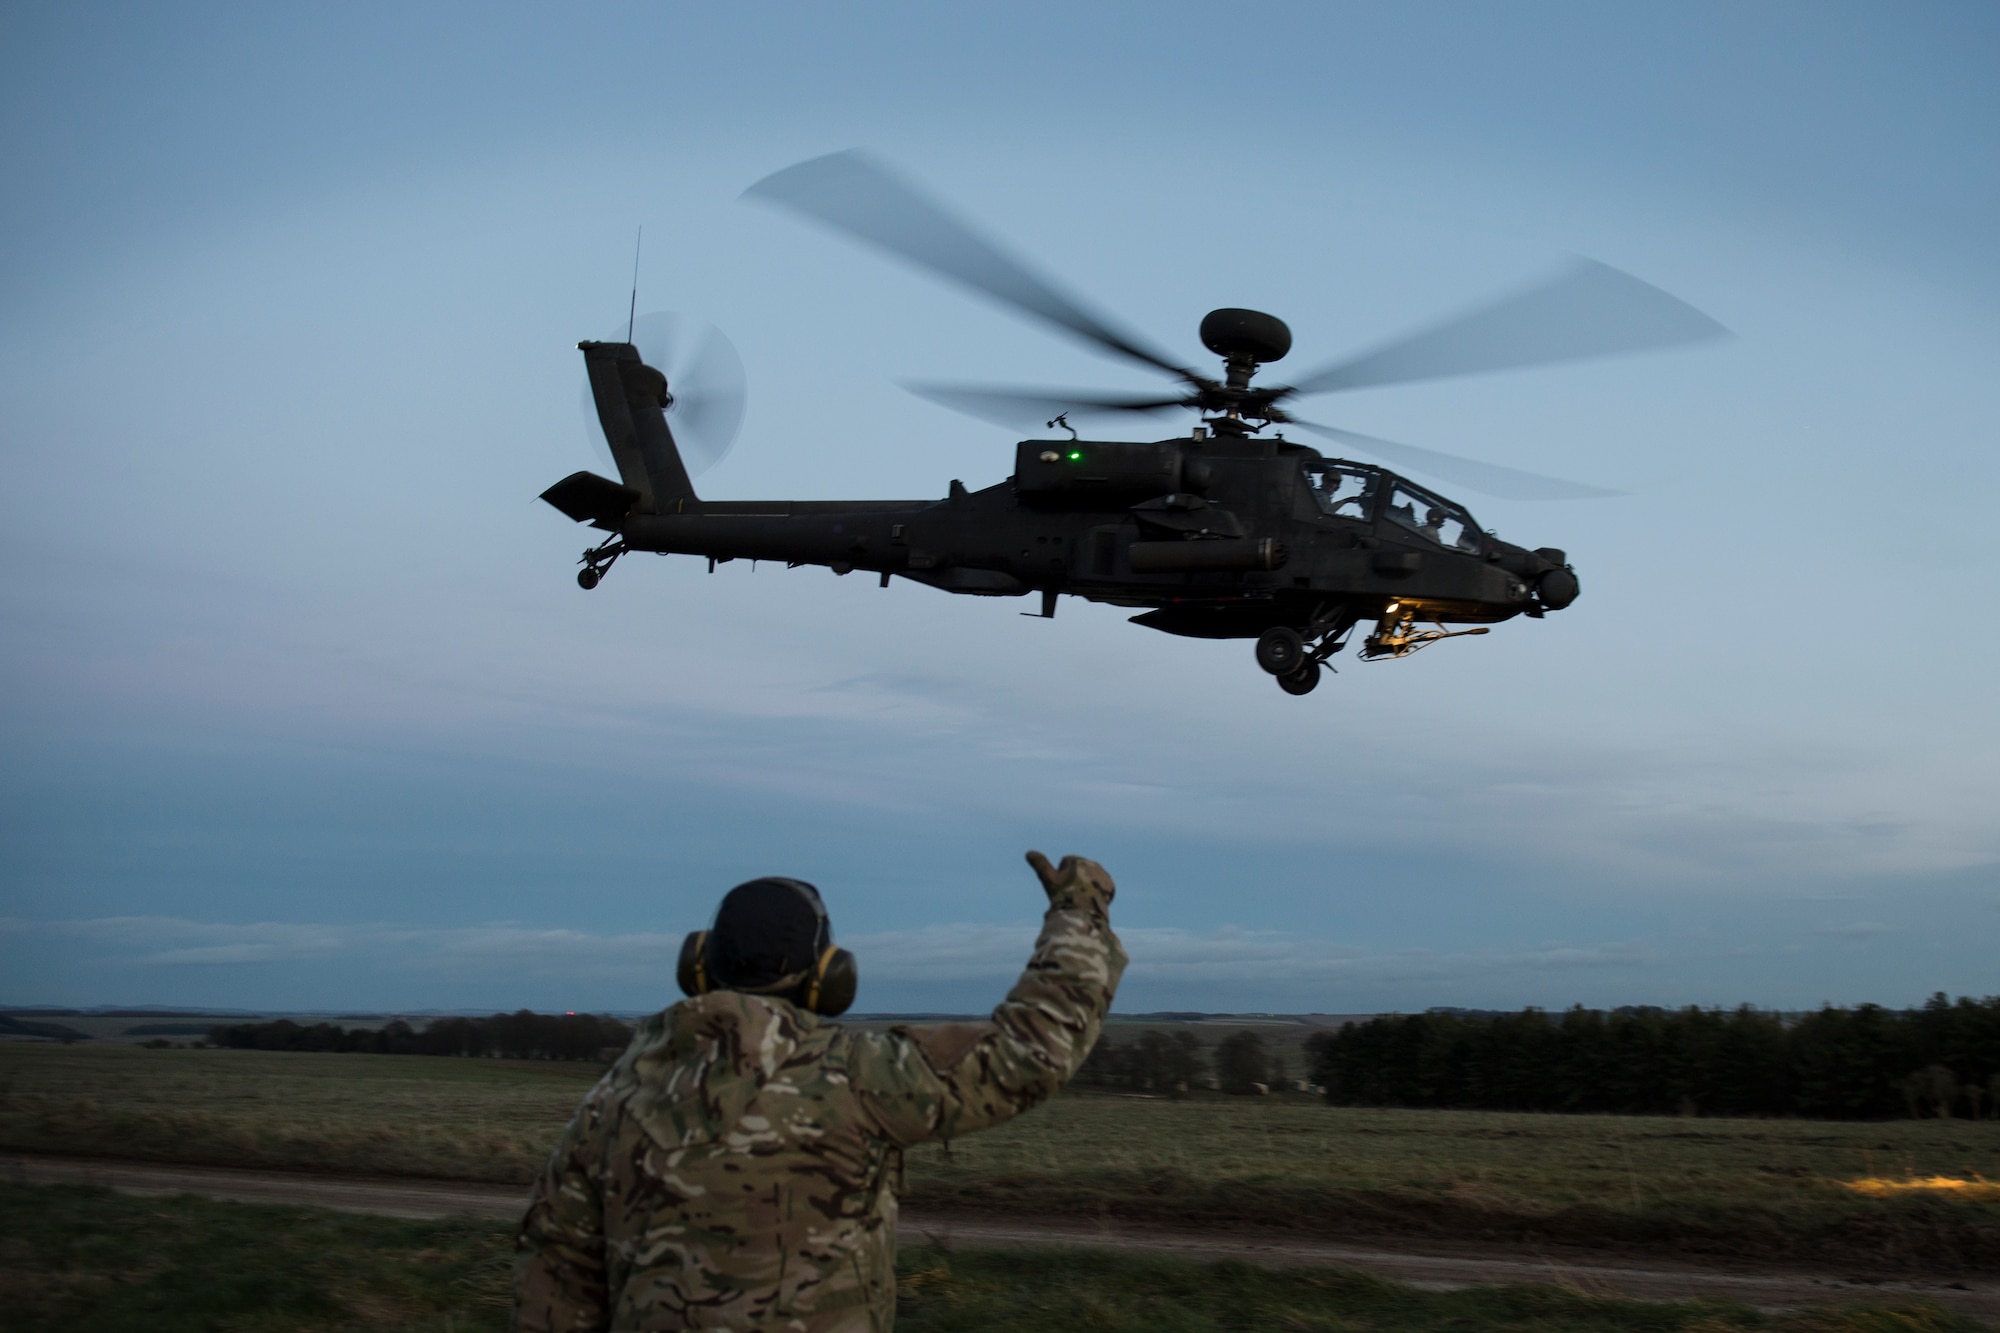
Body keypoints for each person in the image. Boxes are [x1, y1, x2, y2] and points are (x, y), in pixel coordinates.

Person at [514, 851, 1125, 1332]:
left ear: (698, 965)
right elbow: (1029, 1053)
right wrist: (1079, 912)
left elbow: (559, 1277)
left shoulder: (614, 1096)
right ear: (828, 979)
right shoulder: (858, 1076)